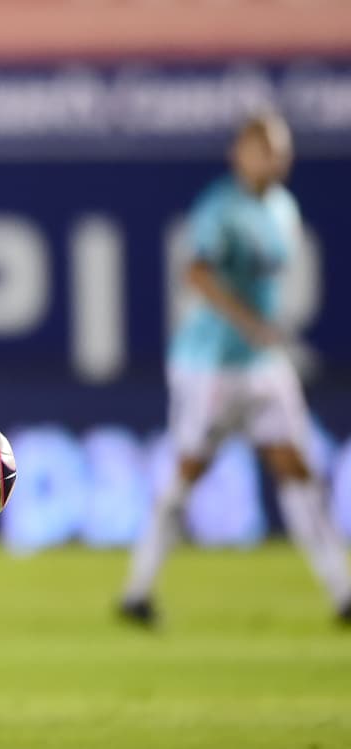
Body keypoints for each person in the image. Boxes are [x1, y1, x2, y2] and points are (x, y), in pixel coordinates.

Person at [119, 112, 351, 627]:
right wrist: (250, 322)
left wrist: (265, 330)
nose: (277, 158)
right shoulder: (219, 208)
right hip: (210, 365)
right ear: (240, 153)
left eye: (282, 149)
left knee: (297, 468)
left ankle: (342, 593)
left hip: (263, 364)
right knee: (187, 472)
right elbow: (196, 273)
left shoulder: (284, 207)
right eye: (266, 148)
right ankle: (137, 590)